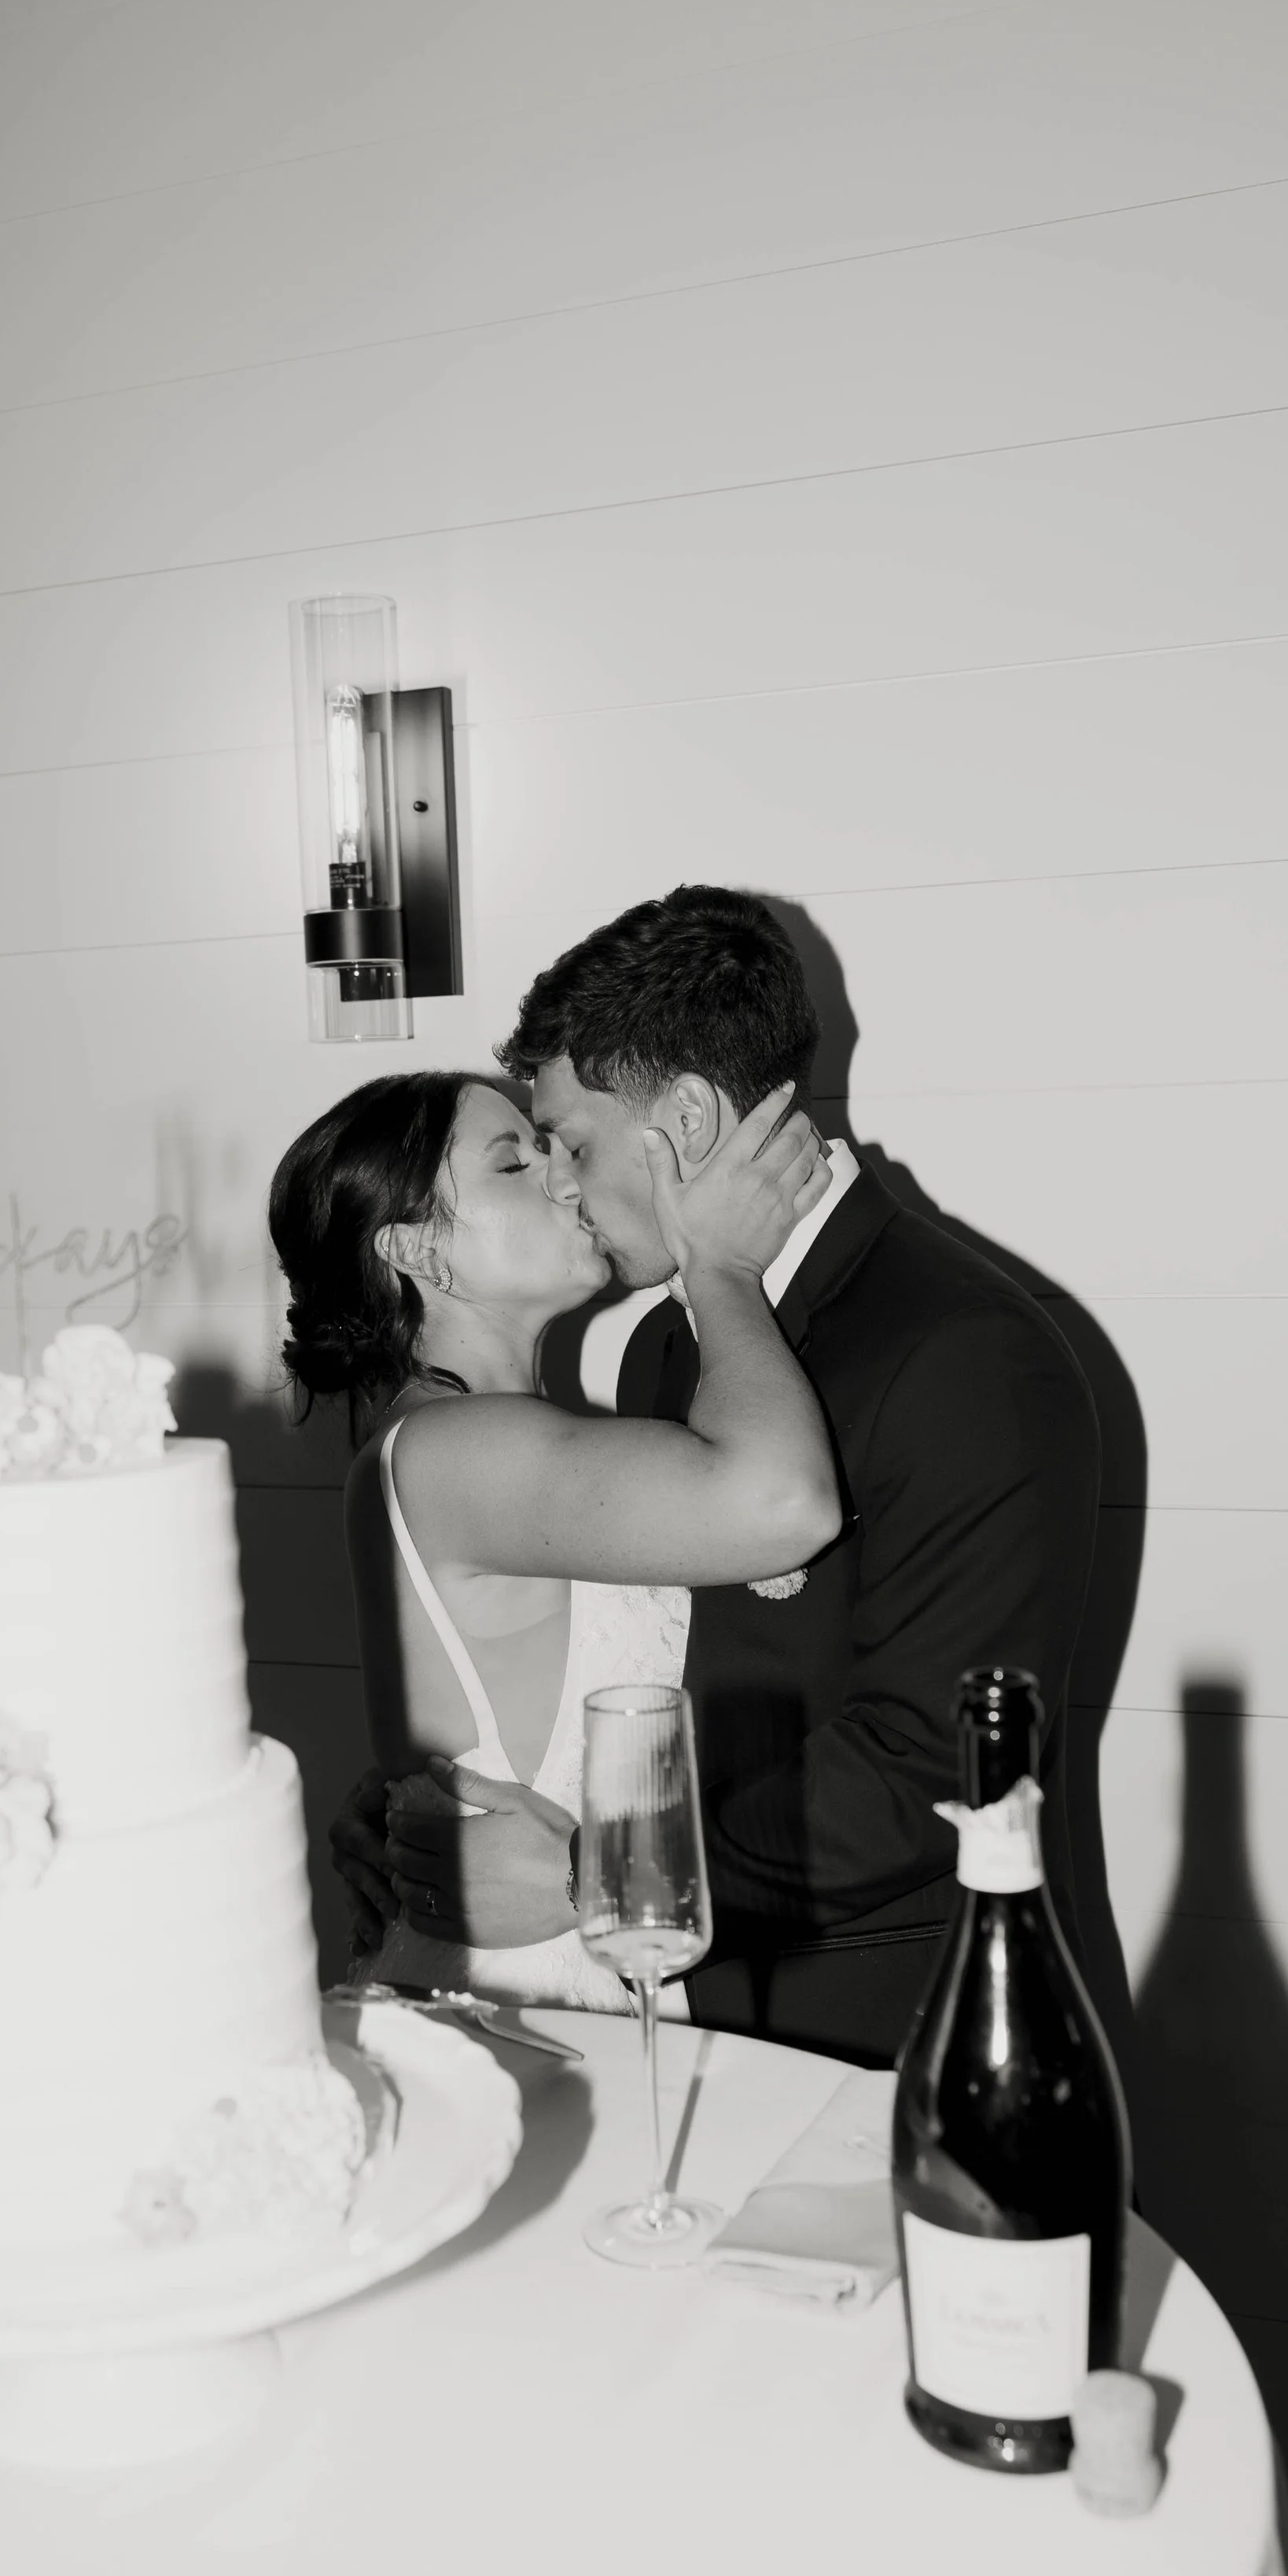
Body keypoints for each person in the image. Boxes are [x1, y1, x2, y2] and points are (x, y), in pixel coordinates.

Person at [333, 886, 1135, 2089]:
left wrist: (593, 1877)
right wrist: (415, 1808)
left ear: (690, 1119)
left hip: (901, 2038)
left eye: (572, 1143)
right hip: (683, 2027)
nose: (564, 1183)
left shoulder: (965, 1350)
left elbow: (931, 1767)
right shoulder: (677, 1344)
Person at [268, 1064, 841, 2010]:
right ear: (416, 1248)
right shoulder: (452, 1448)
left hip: (582, 1962)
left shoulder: (485, 1440)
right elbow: (785, 1506)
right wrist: (720, 1268)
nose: (566, 1179)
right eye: (514, 1164)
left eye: (551, 1149)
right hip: (532, 2000)